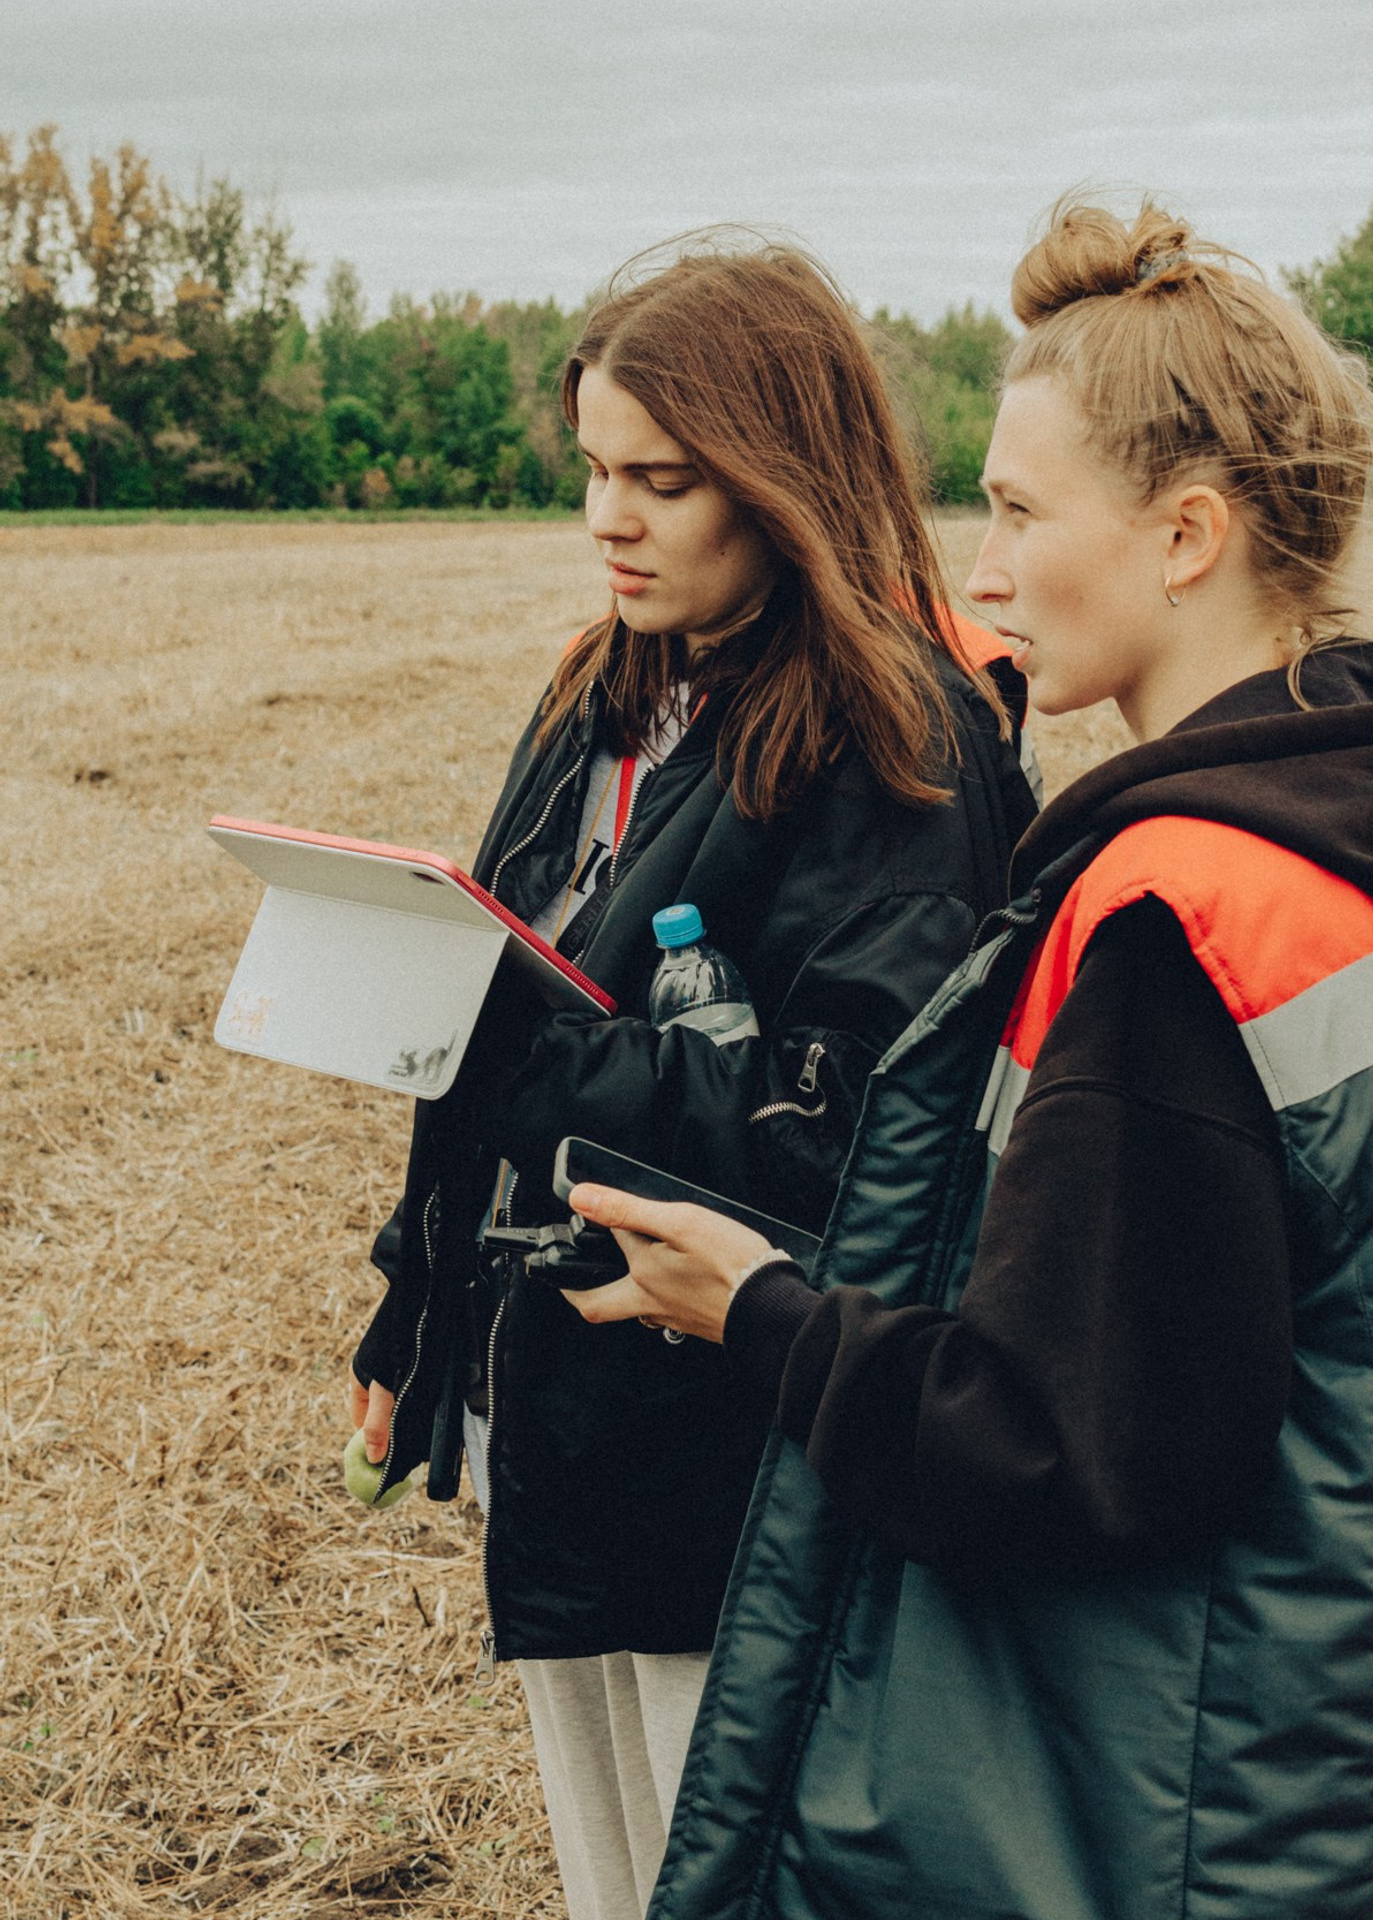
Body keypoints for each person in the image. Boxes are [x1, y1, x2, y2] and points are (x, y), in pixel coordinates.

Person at [563, 200, 1373, 1920]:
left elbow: (1054, 1454)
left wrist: (756, 1311)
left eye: (1017, 510)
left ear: (1186, 535)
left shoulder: (1182, 926)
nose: (976, 575)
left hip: (1229, 1834)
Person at [345, 238, 1037, 1919]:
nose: (611, 520)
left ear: (786, 480)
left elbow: (852, 1144)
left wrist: (524, 1051)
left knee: (718, 1876)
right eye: (594, 469)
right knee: (616, 1880)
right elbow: (496, 1013)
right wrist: (412, 1310)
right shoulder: (602, 692)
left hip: (736, 1459)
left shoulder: (901, 748)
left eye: (664, 481)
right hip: (562, 1421)